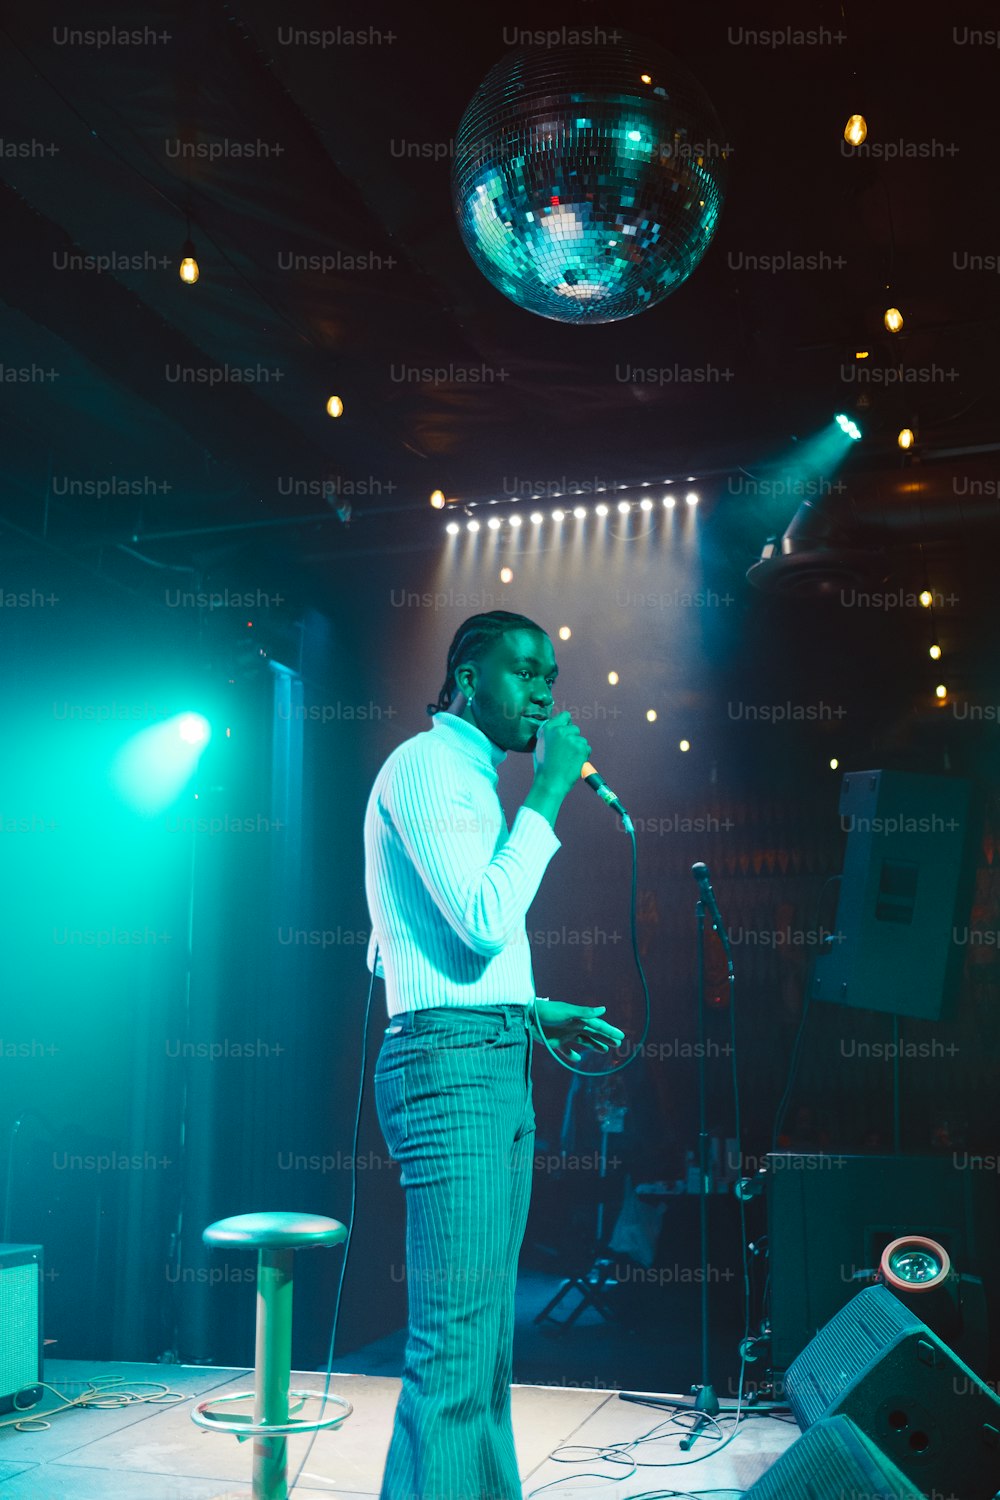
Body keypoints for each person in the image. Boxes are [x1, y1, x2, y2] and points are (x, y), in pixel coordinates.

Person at [364, 609, 624, 1500]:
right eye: (523, 669)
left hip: (491, 1053)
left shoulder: (468, 776)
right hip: (451, 1071)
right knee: (453, 1351)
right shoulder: (428, 765)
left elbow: (415, 943)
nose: (545, 689)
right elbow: (479, 922)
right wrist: (548, 795)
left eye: (551, 671)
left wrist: (530, 1011)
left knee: (483, 1352)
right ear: (466, 675)